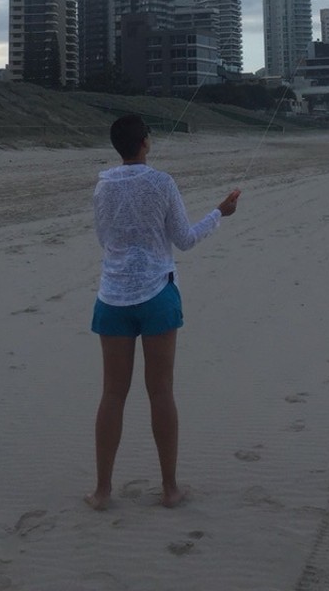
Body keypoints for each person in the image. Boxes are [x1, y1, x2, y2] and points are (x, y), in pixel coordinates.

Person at [87, 113, 240, 510]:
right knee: (161, 392)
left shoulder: (103, 186)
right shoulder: (161, 182)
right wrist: (219, 213)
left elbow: (105, 238)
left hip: (113, 296)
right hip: (156, 294)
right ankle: (169, 489)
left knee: (112, 394)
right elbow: (185, 240)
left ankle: (103, 491)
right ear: (145, 143)